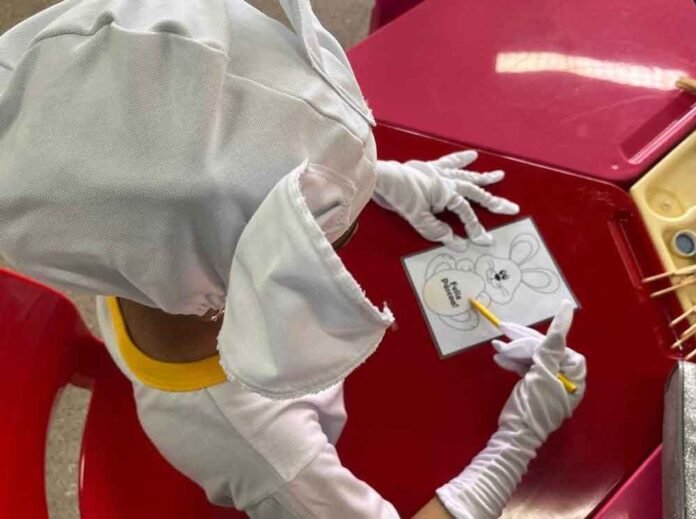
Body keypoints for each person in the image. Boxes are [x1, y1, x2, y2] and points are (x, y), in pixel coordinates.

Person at [0, 0, 587, 517]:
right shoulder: (260, 444)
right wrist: (518, 441)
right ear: (249, 278)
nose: (346, 233)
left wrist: (370, 176)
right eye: (329, 231)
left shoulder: (127, 239)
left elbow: (224, 155)